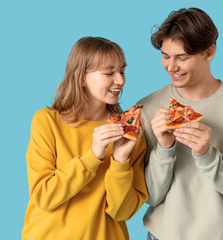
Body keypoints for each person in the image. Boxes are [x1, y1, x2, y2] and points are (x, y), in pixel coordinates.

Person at [137, 8, 223, 240]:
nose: (171, 67)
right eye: (166, 56)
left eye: (182, 57)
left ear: (210, 52)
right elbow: (151, 197)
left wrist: (207, 155)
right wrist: (164, 149)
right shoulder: (148, 108)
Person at [21, 37, 148, 240]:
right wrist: (93, 156)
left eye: (122, 71)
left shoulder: (130, 134)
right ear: (80, 78)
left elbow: (123, 212)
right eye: (109, 73)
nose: (121, 80)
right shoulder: (47, 121)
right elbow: (43, 197)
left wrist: (120, 160)